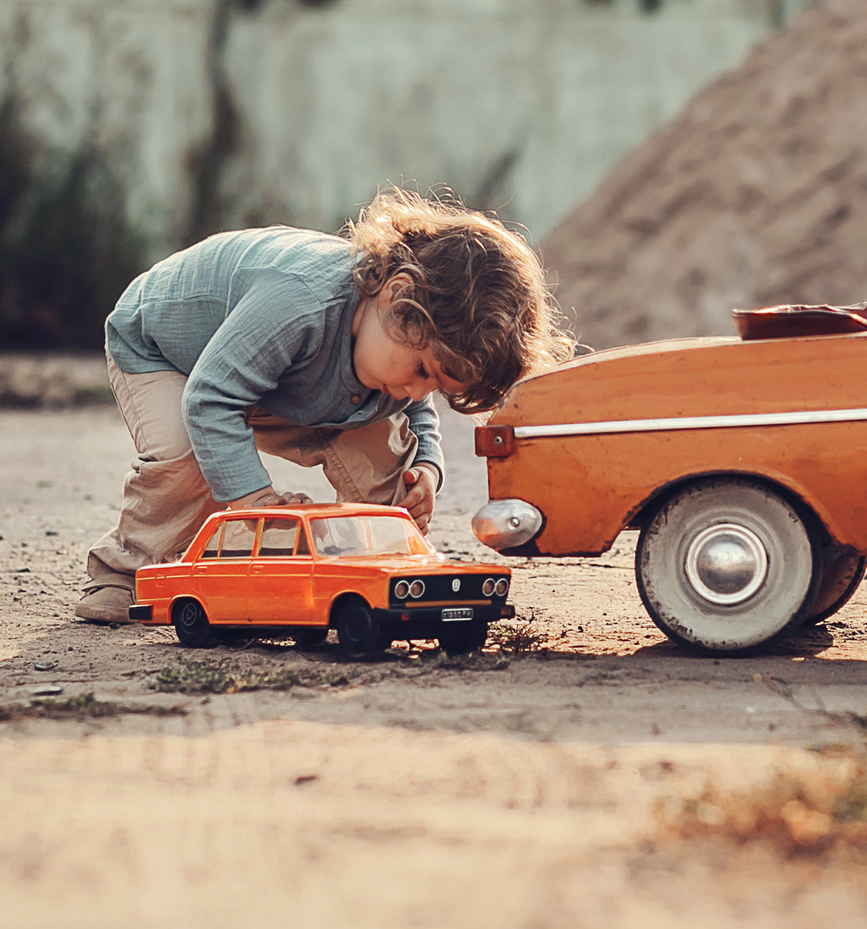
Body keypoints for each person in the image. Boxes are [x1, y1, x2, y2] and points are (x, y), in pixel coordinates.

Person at [75, 188, 573, 623]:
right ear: (394, 296)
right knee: (188, 458)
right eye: (423, 371)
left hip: (277, 380)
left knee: (387, 450)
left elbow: (414, 405)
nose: (420, 392)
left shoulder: (395, 348)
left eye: (437, 387)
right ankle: (124, 571)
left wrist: (426, 468)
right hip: (168, 353)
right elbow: (210, 399)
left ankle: (376, 568)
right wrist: (254, 502)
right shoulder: (300, 301)